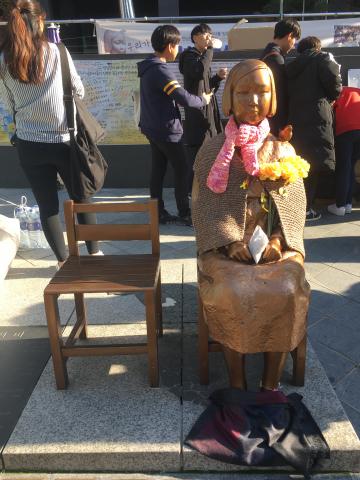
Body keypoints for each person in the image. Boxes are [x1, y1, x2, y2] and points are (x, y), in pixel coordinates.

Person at [192, 60, 310, 391]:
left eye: (261, 92)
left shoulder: (282, 148)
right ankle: (237, 382)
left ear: (272, 97)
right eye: (243, 92)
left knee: (285, 289)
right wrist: (230, 242)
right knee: (232, 290)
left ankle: (270, 384)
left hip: (276, 249)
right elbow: (202, 206)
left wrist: (277, 240)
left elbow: (294, 206)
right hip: (225, 248)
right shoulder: (212, 150)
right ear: (229, 96)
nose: (253, 102)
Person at [0, 0, 102, 268]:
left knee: (47, 206)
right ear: (39, 22)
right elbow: (77, 91)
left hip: (29, 143)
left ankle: (62, 262)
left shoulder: (4, 61)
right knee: (81, 197)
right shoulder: (58, 52)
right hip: (65, 140)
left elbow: (8, 105)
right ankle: (94, 254)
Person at [137, 25, 212, 226]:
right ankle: (185, 212)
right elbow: (183, 97)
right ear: (170, 46)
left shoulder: (148, 67)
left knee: (158, 169)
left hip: (151, 127)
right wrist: (203, 100)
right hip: (166, 130)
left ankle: (158, 211)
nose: (178, 49)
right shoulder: (160, 70)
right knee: (183, 169)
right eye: (177, 45)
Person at [286, 36, 342, 221]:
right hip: (318, 118)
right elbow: (335, 87)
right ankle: (306, 209)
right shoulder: (323, 59)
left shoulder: (291, 66)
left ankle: (296, 207)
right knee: (313, 166)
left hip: (295, 119)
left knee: (299, 165)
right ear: (317, 48)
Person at [178, 23, 227, 193]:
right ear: (195, 38)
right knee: (198, 156)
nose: (209, 37)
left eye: (210, 34)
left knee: (210, 153)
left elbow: (205, 86)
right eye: (205, 34)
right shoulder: (189, 57)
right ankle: (193, 193)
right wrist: (211, 49)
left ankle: (207, 190)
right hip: (197, 116)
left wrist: (218, 78)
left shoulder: (201, 57)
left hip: (209, 114)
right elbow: (198, 72)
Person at [260, 18, 301, 137]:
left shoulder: (266, 54)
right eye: (294, 39)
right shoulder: (275, 58)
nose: (293, 45)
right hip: (273, 123)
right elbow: (279, 95)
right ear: (289, 36)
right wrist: (282, 126)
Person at [328, 86, 360, 216]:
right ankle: (348, 204)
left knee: (343, 167)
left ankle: (340, 205)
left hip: (345, 131)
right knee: (351, 166)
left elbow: (329, 109)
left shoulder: (338, 91)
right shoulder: (356, 91)